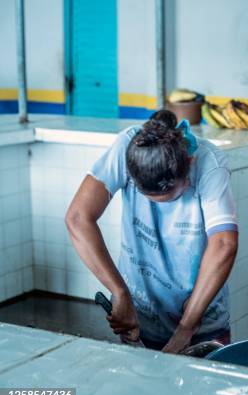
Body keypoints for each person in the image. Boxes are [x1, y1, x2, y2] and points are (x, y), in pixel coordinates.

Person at [66, 110, 238, 352]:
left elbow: (224, 244)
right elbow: (78, 217)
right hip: (140, 318)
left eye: (170, 196)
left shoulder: (210, 163)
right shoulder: (129, 145)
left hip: (201, 324)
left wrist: (186, 329)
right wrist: (120, 292)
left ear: (189, 164)